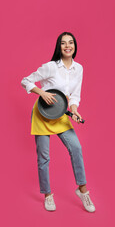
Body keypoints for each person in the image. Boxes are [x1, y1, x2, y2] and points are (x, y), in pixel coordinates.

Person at [21, 32, 95, 212]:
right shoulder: (51, 67)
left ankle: (82, 190)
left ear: (75, 46)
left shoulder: (79, 69)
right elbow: (26, 81)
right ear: (59, 47)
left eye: (71, 43)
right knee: (44, 157)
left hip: (61, 113)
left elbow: (75, 95)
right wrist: (42, 93)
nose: (67, 46)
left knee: (76, 147)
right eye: (63, 43)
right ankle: (47, 195)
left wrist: (75, 111)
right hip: (42, 113)